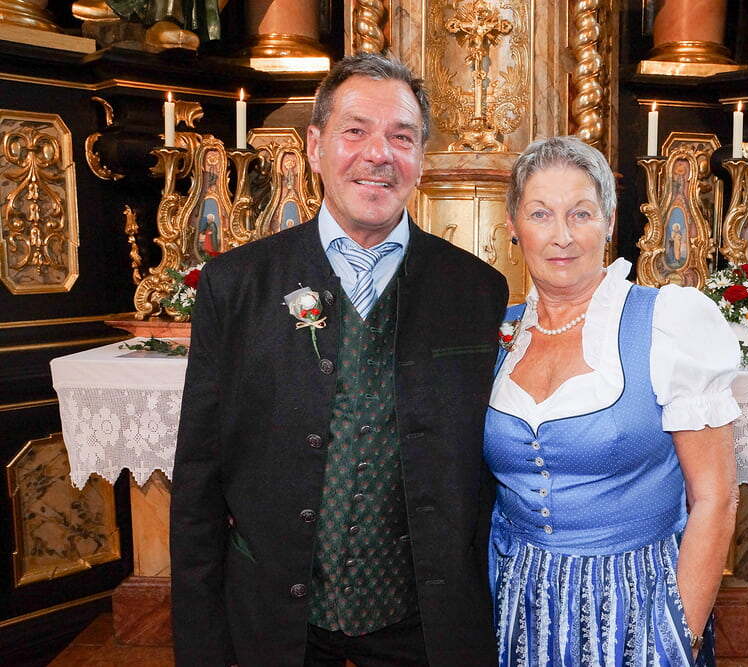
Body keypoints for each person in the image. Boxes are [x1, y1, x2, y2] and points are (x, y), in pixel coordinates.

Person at [170, 53, 508, 667]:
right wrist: (201, 646)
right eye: (355, 131)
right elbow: (199, 477)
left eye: (401, 137)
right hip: (275, 620)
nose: (378, 154)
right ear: (314, 146)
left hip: (425, 622)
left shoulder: (476, 290)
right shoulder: (236, 285)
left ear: (421, 159)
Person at [486, 137, 741, 666]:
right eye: (540, 213)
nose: (562, 236)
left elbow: (715, 498)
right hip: (516, 602)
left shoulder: (668, 322)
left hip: (637, 604)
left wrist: (680, 637)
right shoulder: (497, 333)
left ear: (608, 221)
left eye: (581, 213)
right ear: (513, 225)